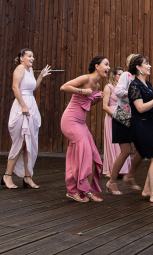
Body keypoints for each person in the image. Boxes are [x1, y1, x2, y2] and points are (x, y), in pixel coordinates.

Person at [60, 56, 111, 202]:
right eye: (106, 64)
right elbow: (64, 87)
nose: (108, 68)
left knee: (94, 156)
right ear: (97, 66)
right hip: (70, 121)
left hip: (81, 123)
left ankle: (86, 189)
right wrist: (82, 91)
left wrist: (97, 99)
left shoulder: (97, 86)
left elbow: (87, 104)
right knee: (85, 155)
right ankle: (72, 191)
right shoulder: (85, 78)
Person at [1, 48, 51, 189]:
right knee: (21, 141)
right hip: (22, 107)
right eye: (29, 56)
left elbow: (32, 88)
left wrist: (40, 76)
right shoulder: (20, 68)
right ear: (22, 58)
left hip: (31, 106)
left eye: (33, 56)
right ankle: (7, 176)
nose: (32, 58)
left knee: (31, 142)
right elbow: (15, 87)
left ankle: (28, 177)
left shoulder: (30, 71)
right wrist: (23, 105)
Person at [126, 55, 153, 203]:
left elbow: (152, 105)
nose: (149, 66)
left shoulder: (148, 84)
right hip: (140, 124)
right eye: (146, 63)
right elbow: (140, 108)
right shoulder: (134, 85)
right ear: (138, 68)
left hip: (150, 122)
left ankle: (147, 190)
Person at [109, 53, 145, 192]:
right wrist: (133, 93)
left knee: (143, 148)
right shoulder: (126, 75)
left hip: (135, 118)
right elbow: (118, 92)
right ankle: (112, 182)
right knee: (125, 152)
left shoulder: (141, 78)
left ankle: (130, 175)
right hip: (123, 117)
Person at [101, 67, 132, 179]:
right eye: (119, 74)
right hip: (112, 117)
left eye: (123, 74)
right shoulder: (108, 87)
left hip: (123, 116)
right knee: (112, 143)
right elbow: (104, 106)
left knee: (123, 144)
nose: (121, 76)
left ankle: (124, 169)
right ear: (113, 75)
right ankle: (110, 169)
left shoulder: (124, 88)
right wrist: (116, 116)